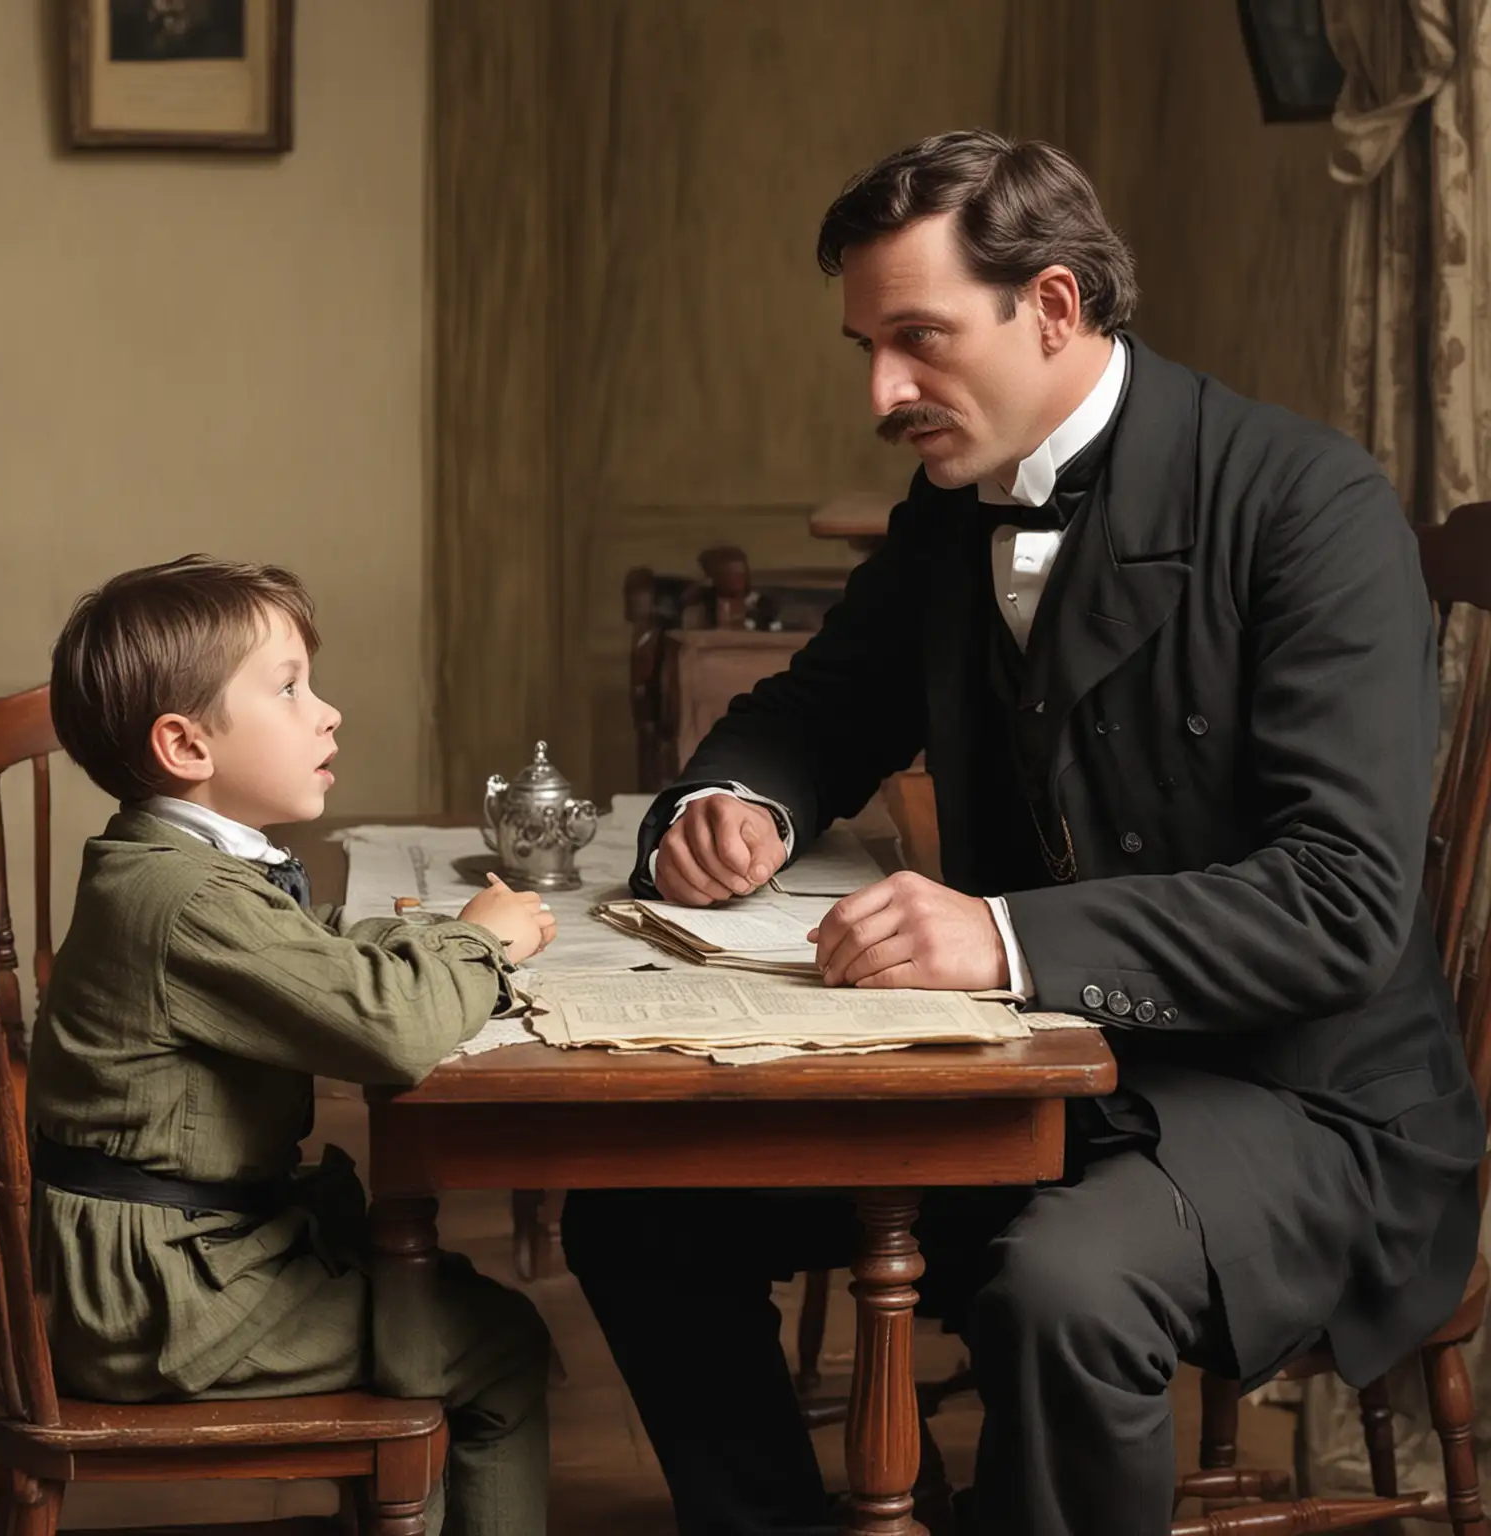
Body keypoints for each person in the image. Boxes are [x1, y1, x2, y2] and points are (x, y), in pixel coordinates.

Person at [560, 130, 1487, 1535]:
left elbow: (1341, 903)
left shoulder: (1311, 507)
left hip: (1298, 1102)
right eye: (867, 346)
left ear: (1053, 307)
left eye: (917, 339)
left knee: (1060, 1288)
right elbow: (817, 712)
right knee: (637, 1214)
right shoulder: (951, 510)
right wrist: (732, 803)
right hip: (1035, 1078)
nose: (882, 390)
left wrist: (999, 934)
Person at [31, 554, 556, 1536]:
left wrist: (435, 939)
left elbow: (319, 962)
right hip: (165, 1305)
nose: (329, 713)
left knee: (444, 1309)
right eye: (289, 689)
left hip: (175, 1264)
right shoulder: (186, 900)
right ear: (186, 744)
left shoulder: (172, 863)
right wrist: (478, 941)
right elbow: (390, 1030)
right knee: (499, 1343)